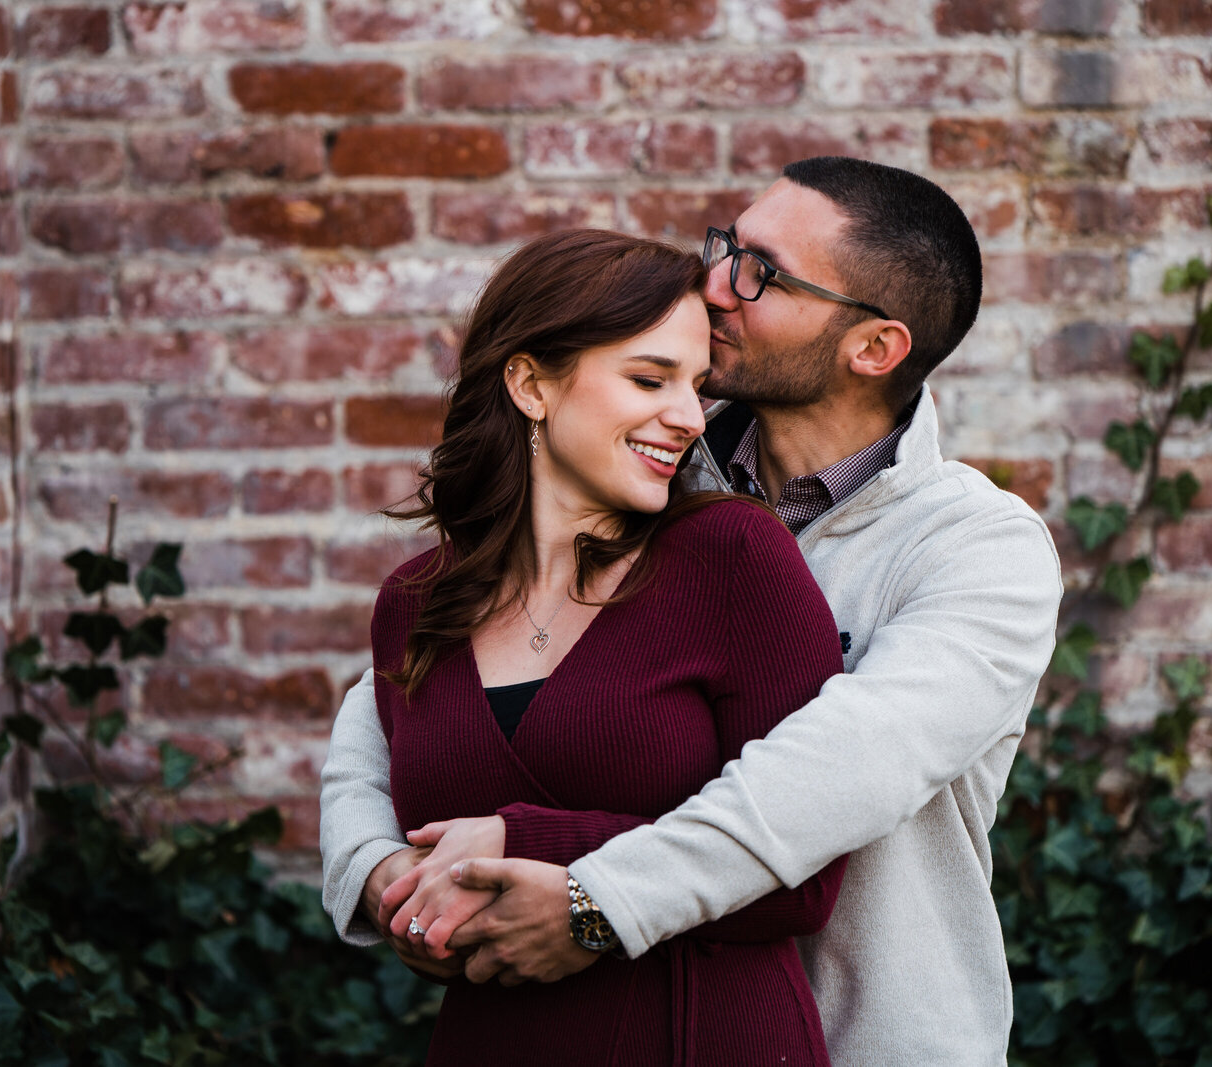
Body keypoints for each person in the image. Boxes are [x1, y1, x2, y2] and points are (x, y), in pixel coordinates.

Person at [322, 158, 1063, 1066]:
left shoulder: (976, 548)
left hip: (866, 1039)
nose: (714, 286)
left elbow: (839, 770)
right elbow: (400, 689)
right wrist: (374, 870)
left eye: (761, 272)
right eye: (726, 247)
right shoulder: (647, 485)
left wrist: (592, 900)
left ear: (873, 348)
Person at [334, 227, 849, 1065]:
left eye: (696, 385)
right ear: (531, 383)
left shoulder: (733, 558)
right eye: (650, 379)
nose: (688, 418)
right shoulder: (415, 605)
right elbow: (401, 837)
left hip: (700, 1037)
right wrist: (406, 903)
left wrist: (534, 845)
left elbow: (807, 876)